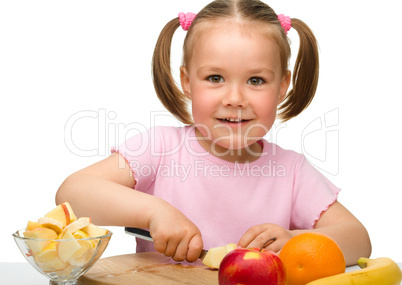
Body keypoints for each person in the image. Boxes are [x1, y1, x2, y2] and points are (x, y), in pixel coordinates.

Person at [56, 0, 371, 265]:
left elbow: (359, 239)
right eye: (215, 77)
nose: (234, 98)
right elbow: (72, 194)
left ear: (283, 86)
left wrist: (295, 240)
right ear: (187, 81)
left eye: (256, 80)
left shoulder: (292, 171)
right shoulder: (160, 147)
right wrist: (154, 212)